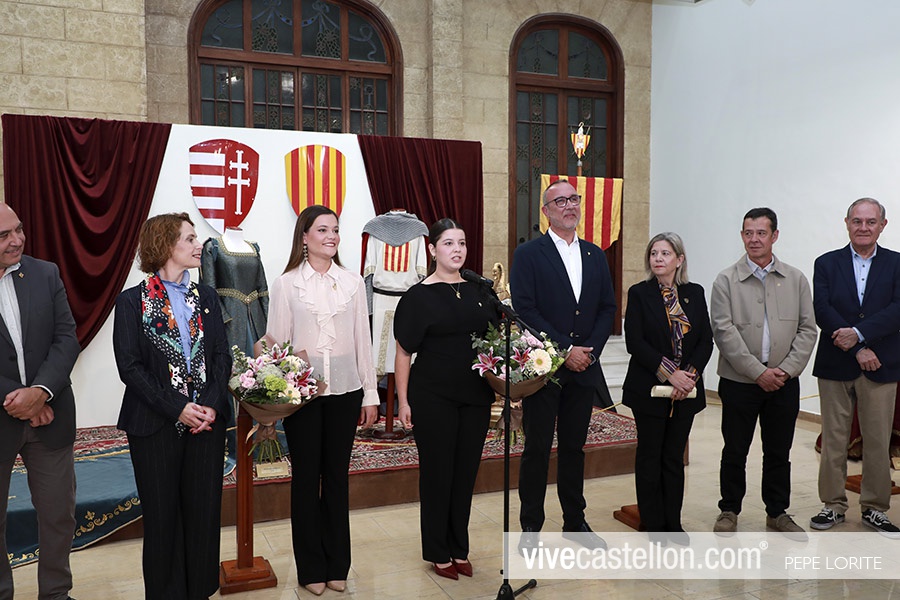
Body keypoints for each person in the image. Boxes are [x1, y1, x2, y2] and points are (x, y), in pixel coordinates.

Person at [113, 212, 232, 600]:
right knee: (162, 518)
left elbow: (221, 356)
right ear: (165, 245)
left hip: (206, 425)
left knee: (203, 514)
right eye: (189, 238)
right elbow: (130, 367)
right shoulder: (131, 302)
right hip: (154, 425)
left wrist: (210, 404)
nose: (199, 245)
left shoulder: (207, 297)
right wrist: (177, 407)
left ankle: (199, 591)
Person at [266, 205, 379, 596]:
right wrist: (277, 398)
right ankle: (310, 567)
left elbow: (363, 340)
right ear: (304, 237)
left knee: (336, 479)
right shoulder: (286, 284)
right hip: (303, 397)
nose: (331, 236)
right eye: (322, 230)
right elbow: (277, 346)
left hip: (346, 392)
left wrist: (370, 393)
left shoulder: (352, 282)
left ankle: (337, 565)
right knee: (305, 480)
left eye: (335, 230)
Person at [510, 178, 617, 552]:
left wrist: (589, 352)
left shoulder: (595, 255)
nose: (569, 206)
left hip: (585, 368)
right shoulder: (528, 254)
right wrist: (564, 350)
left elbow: (607, 308)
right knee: (537, 449)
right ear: (546, 211)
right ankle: (530, 527)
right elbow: (525, 310)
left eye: (574, 199)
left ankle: (575, 521)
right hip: (544, 368)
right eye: (560, 201)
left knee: (574, 448)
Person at [393, 218, 498, 580]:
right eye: (449, 243)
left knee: (465, 474)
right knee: (438, 474)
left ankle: (458, 547)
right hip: (432, 396)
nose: (457, 249)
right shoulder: (417, 296)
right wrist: (403, 402)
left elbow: (494, 341)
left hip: (475, 396)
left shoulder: (480, 290)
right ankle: (438, 551)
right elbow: (403, 352)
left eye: (462, 243)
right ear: (432, 249)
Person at [709, 207, 816, 540]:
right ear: (742, 236)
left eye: (761, 233)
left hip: (784, 382)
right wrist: (758, 372)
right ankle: (729, 509)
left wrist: (785, 370)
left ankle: (777, 512)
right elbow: (723, 331)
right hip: (739, 382)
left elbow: (808, 329)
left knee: (778, 451)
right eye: (748, 233)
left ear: (774, 236)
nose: (754, 239)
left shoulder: (795, 279)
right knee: (735, 450)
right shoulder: (726, 280)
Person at [0, 203, 80, 600]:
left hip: (50, 416)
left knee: (58, 516)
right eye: (4, 236)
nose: (17, 240)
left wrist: (41, 392)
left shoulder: (45, 273)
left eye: (18, 229)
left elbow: (66, 339)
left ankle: (56, 594)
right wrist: (19, 399)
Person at [810, 197, 900, 538]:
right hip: (835, 363)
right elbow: (822, 309)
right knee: (834, 439)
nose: (863, 227)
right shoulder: (826, 263)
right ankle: (832, 505)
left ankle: (875, 508)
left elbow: (897, 309)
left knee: (878, 439)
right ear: (846, 223)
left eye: (870, 221)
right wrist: (858, 347)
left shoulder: (897, 264)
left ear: (882, 225)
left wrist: (859, 336)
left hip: (882, 363)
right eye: (857, 221)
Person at [622, 232, 713, 546]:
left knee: (674, 457)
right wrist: (670, 375)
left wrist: (688, 377)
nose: (658, 259)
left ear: (679, 259)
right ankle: (654, 524)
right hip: (649, 388)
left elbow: (705, 340)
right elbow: (635, 342)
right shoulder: (639, 293)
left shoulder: (694, 293)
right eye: (654, 253)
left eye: (665, 253)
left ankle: (673, 522)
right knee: (650, 456)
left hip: (686, 391)